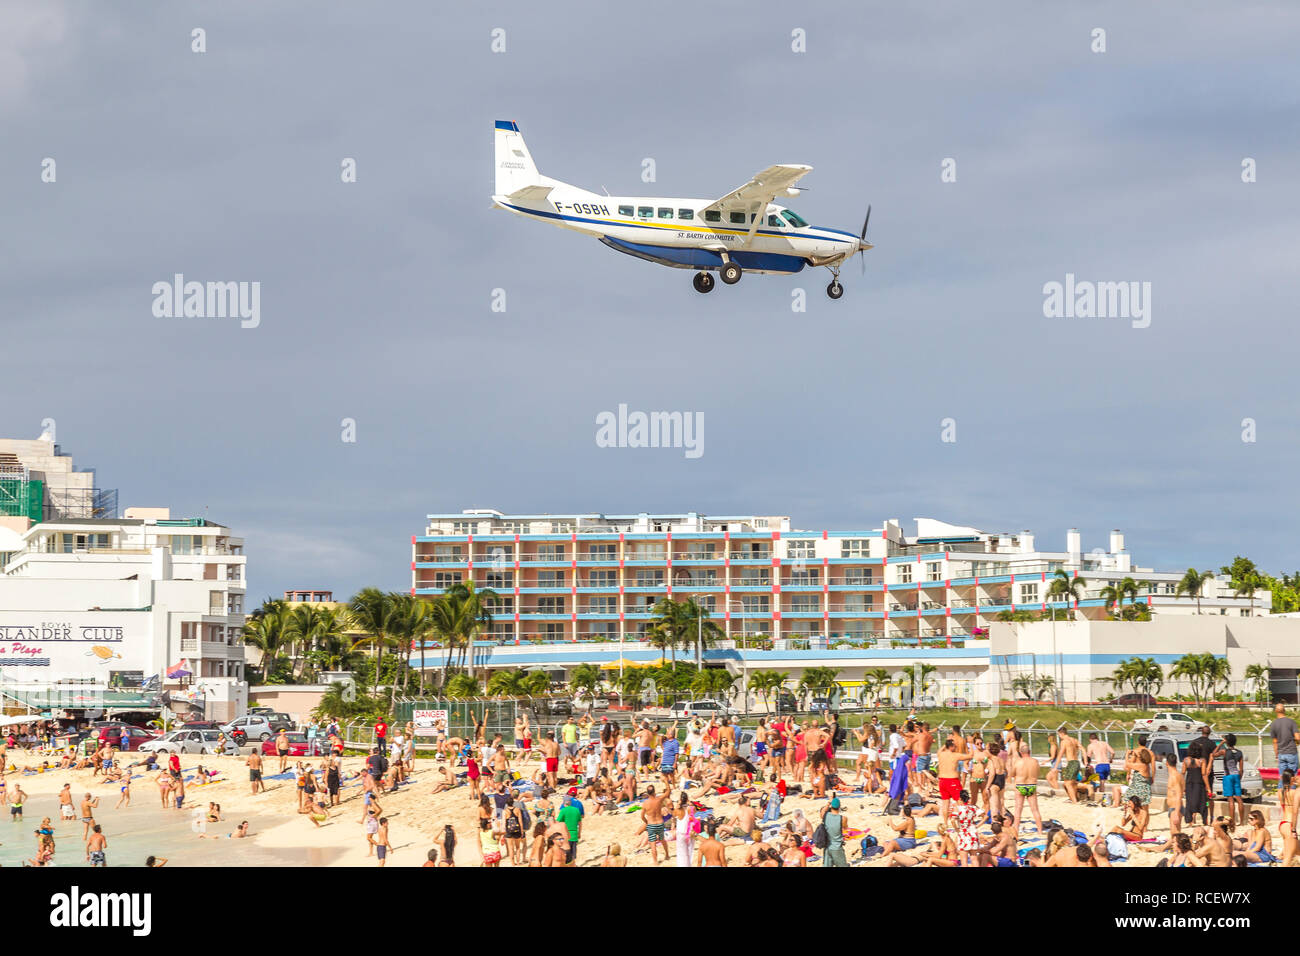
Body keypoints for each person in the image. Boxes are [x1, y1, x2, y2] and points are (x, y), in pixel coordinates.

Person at [1213, 732, 1247, 826]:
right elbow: (1241, 769)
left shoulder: (1224, 751)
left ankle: (1232, 822)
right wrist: (1239, 777)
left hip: (1228, 776)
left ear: (1227, 742)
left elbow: (1213, 754)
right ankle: (1242, 821)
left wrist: (1220, 743)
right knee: (1239, 799)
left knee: (1230, 800)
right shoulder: (1239, 753)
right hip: (1236, 775)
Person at [1011, 744, 1044, 833]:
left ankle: (1016, 830)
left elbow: (1012, 774)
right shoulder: (1035, 761)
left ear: (1021, 753)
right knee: (1035, 809)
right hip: (1031, 785)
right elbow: (1037, 773)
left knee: (1018, 809)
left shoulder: (1018, 762)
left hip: (1020, 785)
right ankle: (1040, 830)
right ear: (1029, 752)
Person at [1268, 703, 1299, 785]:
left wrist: (1276, 754)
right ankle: (1291, 796)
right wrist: (1297, 743)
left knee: (1282, 777)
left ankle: (1282, 795)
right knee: (1292, 777)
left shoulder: (1273, 724)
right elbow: (1297, 737)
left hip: (1281, 753)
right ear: (1284, 711)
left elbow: (1274, 742)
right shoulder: (1291, 722)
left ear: (1275, 711)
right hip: (1291, 752)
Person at [820, 797, 847, 867]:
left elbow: (823, 811)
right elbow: (845, 828)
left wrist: (828, 802)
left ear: (831, 806)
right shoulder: (842, 818)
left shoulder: (825, 816)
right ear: (839, 806)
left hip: (827, 846)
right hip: (837, 846)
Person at [556, 794, 583, 864]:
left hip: (565, 835)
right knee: (573, 855)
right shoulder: (576, 810)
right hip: (574, 834)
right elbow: (580, 823)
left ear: (564, 803)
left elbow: (558, 822)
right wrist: (579, 833)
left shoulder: (563, 810)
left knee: (565, 855)